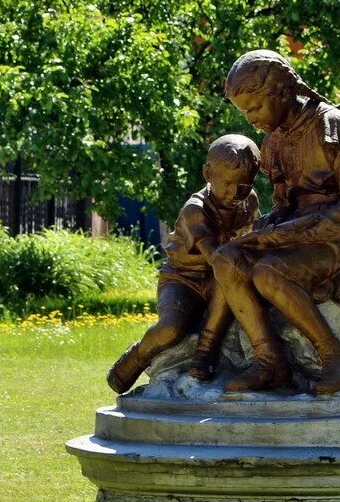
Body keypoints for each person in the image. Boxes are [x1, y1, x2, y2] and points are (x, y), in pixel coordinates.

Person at [211, 50, 340, 395]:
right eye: (244, 112)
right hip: (301, 234)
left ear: (282, 91)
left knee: (269, 272)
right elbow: (284, 206)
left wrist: (278, 236)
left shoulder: (334, 124)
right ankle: (269, 359)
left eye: (255, 108)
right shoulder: (274, 142)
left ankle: (335, 356)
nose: (250, 120)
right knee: (226, 257)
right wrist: (262, 231)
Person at [106, 135, 261, 393]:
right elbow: (214, 255)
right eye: (227, 184)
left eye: (244, 186)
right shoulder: (195, 209)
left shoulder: (250, 201)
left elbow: (249, 241)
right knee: (171, 328)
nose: (235, 193)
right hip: (183, 279)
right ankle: (137, 356)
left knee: (227, 277)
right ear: (208, 173)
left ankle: (205, 352)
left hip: (217, 279)